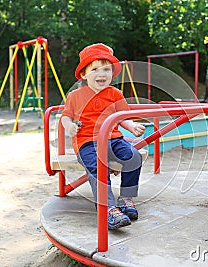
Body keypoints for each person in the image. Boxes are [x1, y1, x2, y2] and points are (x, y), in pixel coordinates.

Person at [61, 43, 146, 230]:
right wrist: (70, 126)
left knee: (134, 157)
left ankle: (126, 197)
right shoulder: (75, 96)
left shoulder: (115, 94)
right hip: (87, 142)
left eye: (106, 69)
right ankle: (108, 209)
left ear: (112, 73)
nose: (102, 73)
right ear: (84, 74)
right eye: (95, 69)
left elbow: (122, 117)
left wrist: (132, 127)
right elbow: (65, 117)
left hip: (113, 139)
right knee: (97, 167)